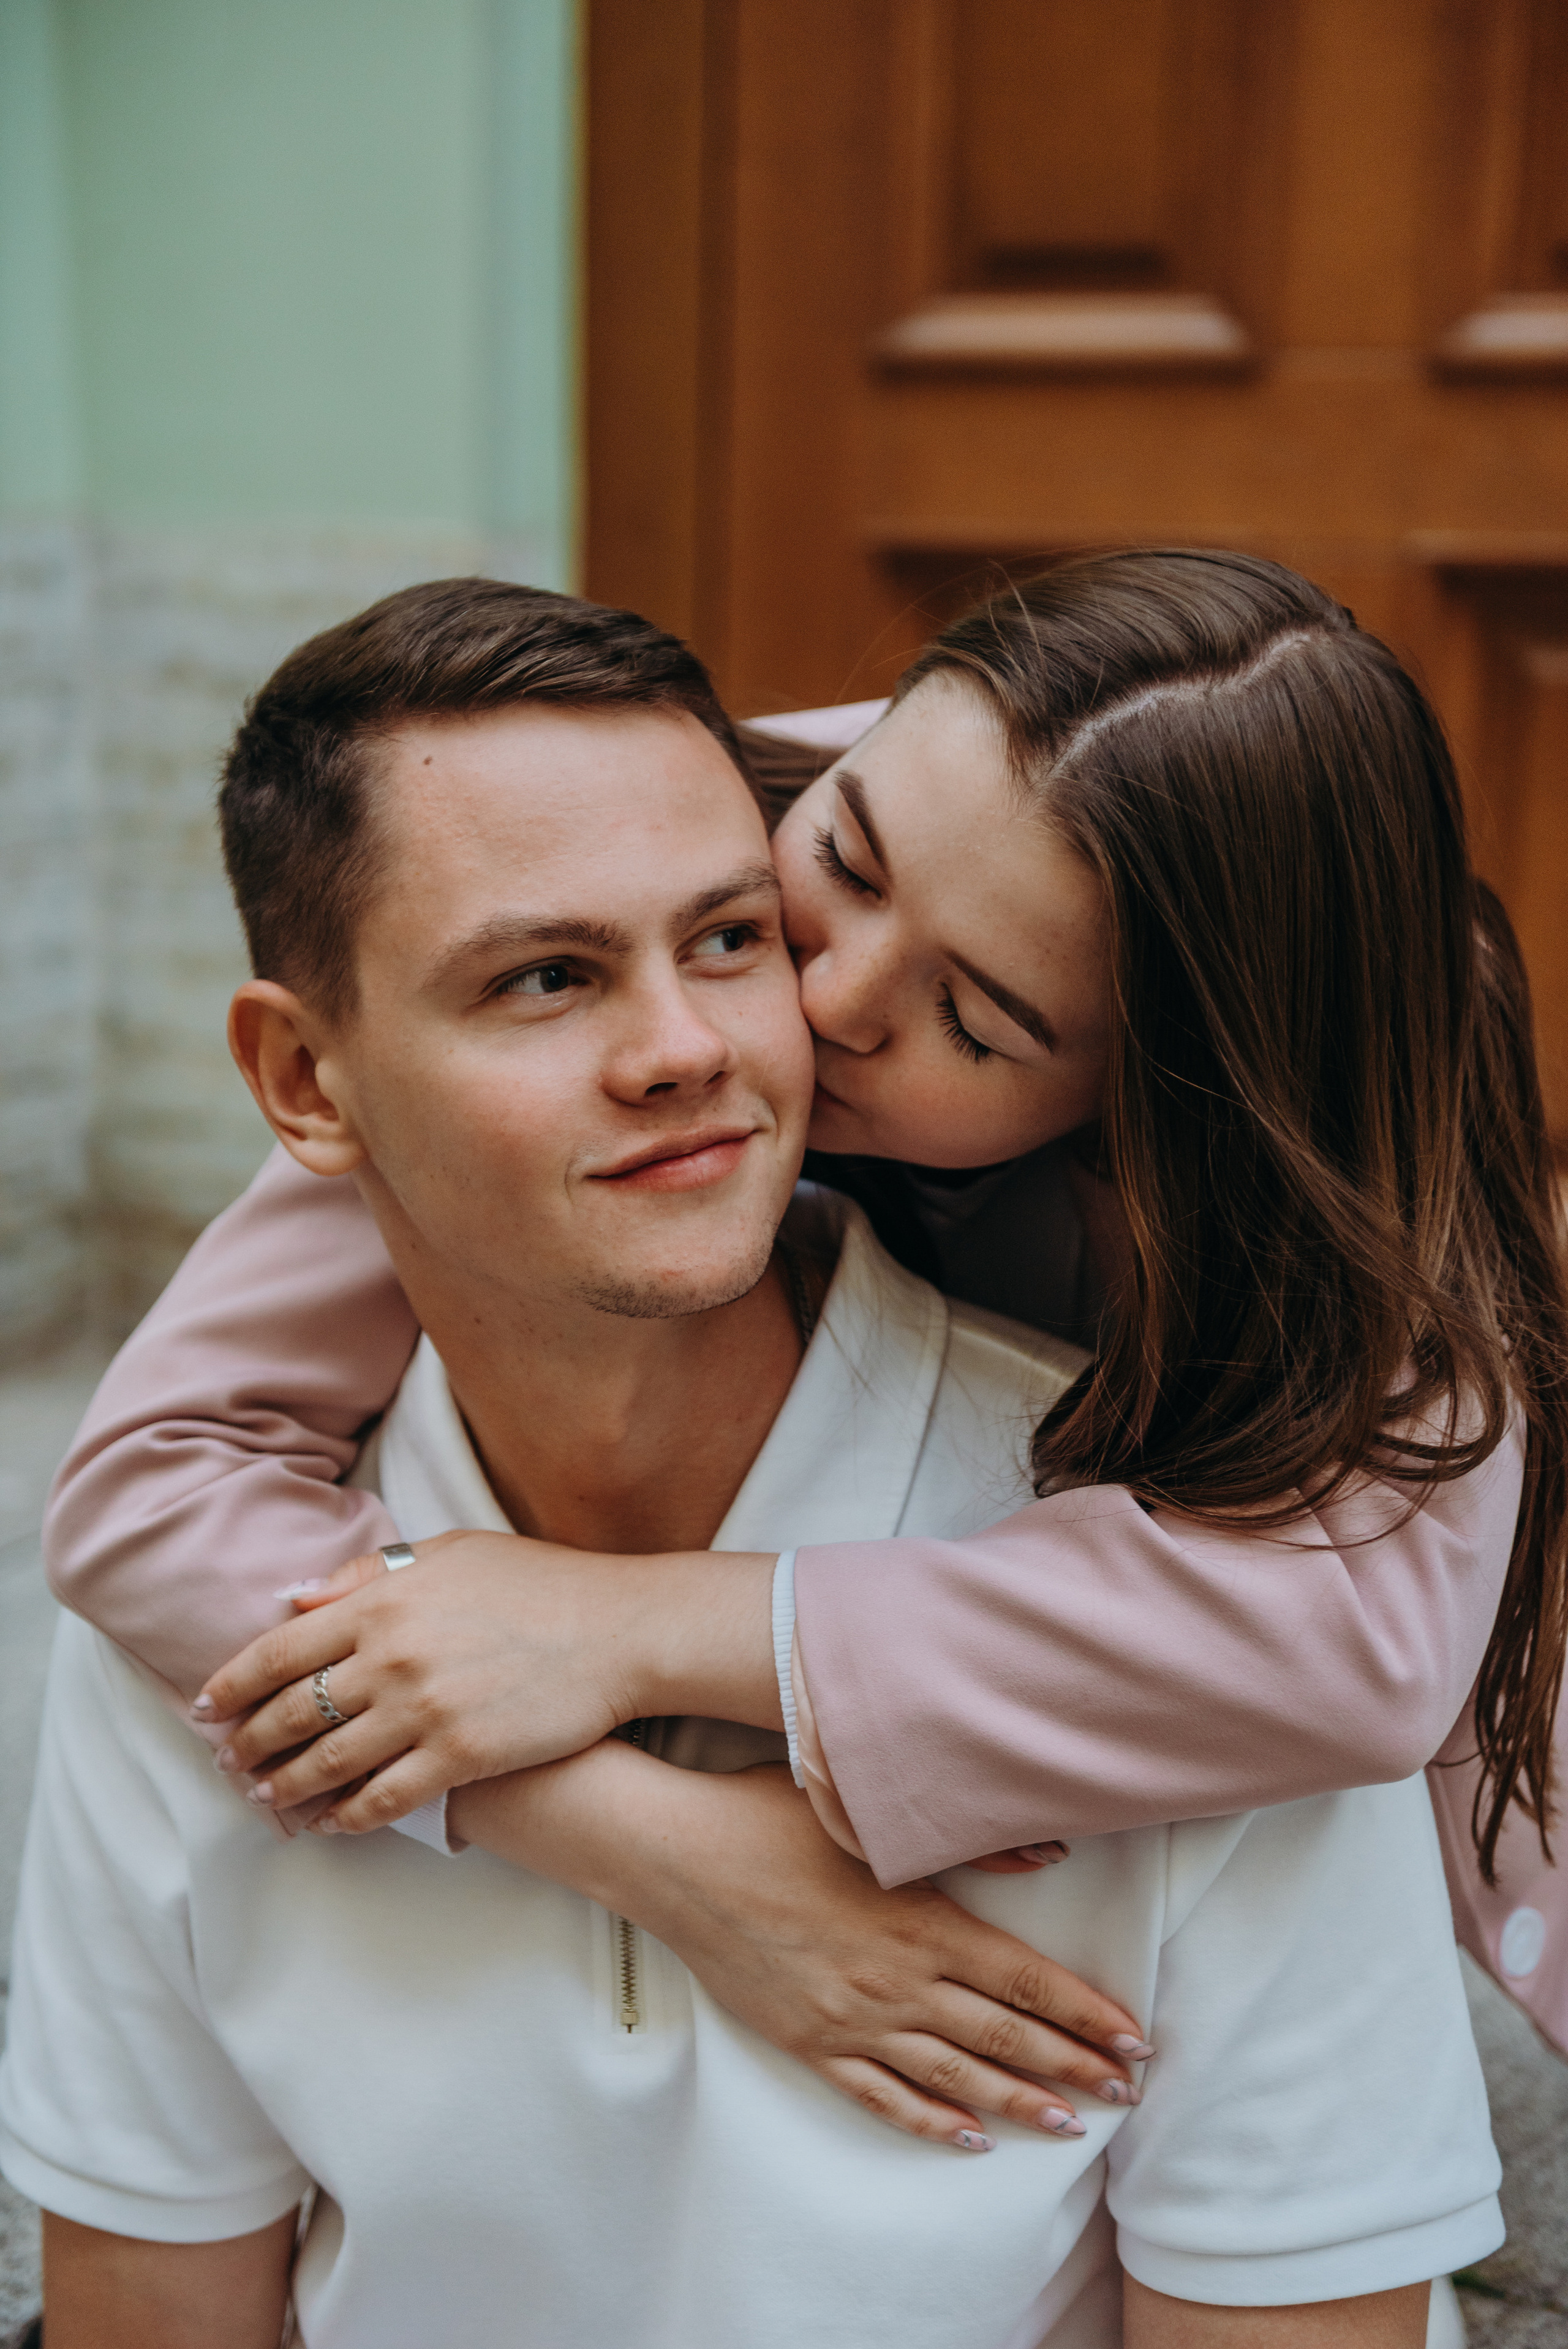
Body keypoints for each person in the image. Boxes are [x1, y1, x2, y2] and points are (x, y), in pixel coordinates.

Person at [0, 580, 1499, 2349]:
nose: (782, 1012)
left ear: (1134, 1112)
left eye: (982, 1020)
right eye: (827, 879)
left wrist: (627, 1630)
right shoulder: (230, 1601)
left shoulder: (1242, 1584)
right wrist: (651, 1839)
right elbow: (143, 1484)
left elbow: (1362, 1656)